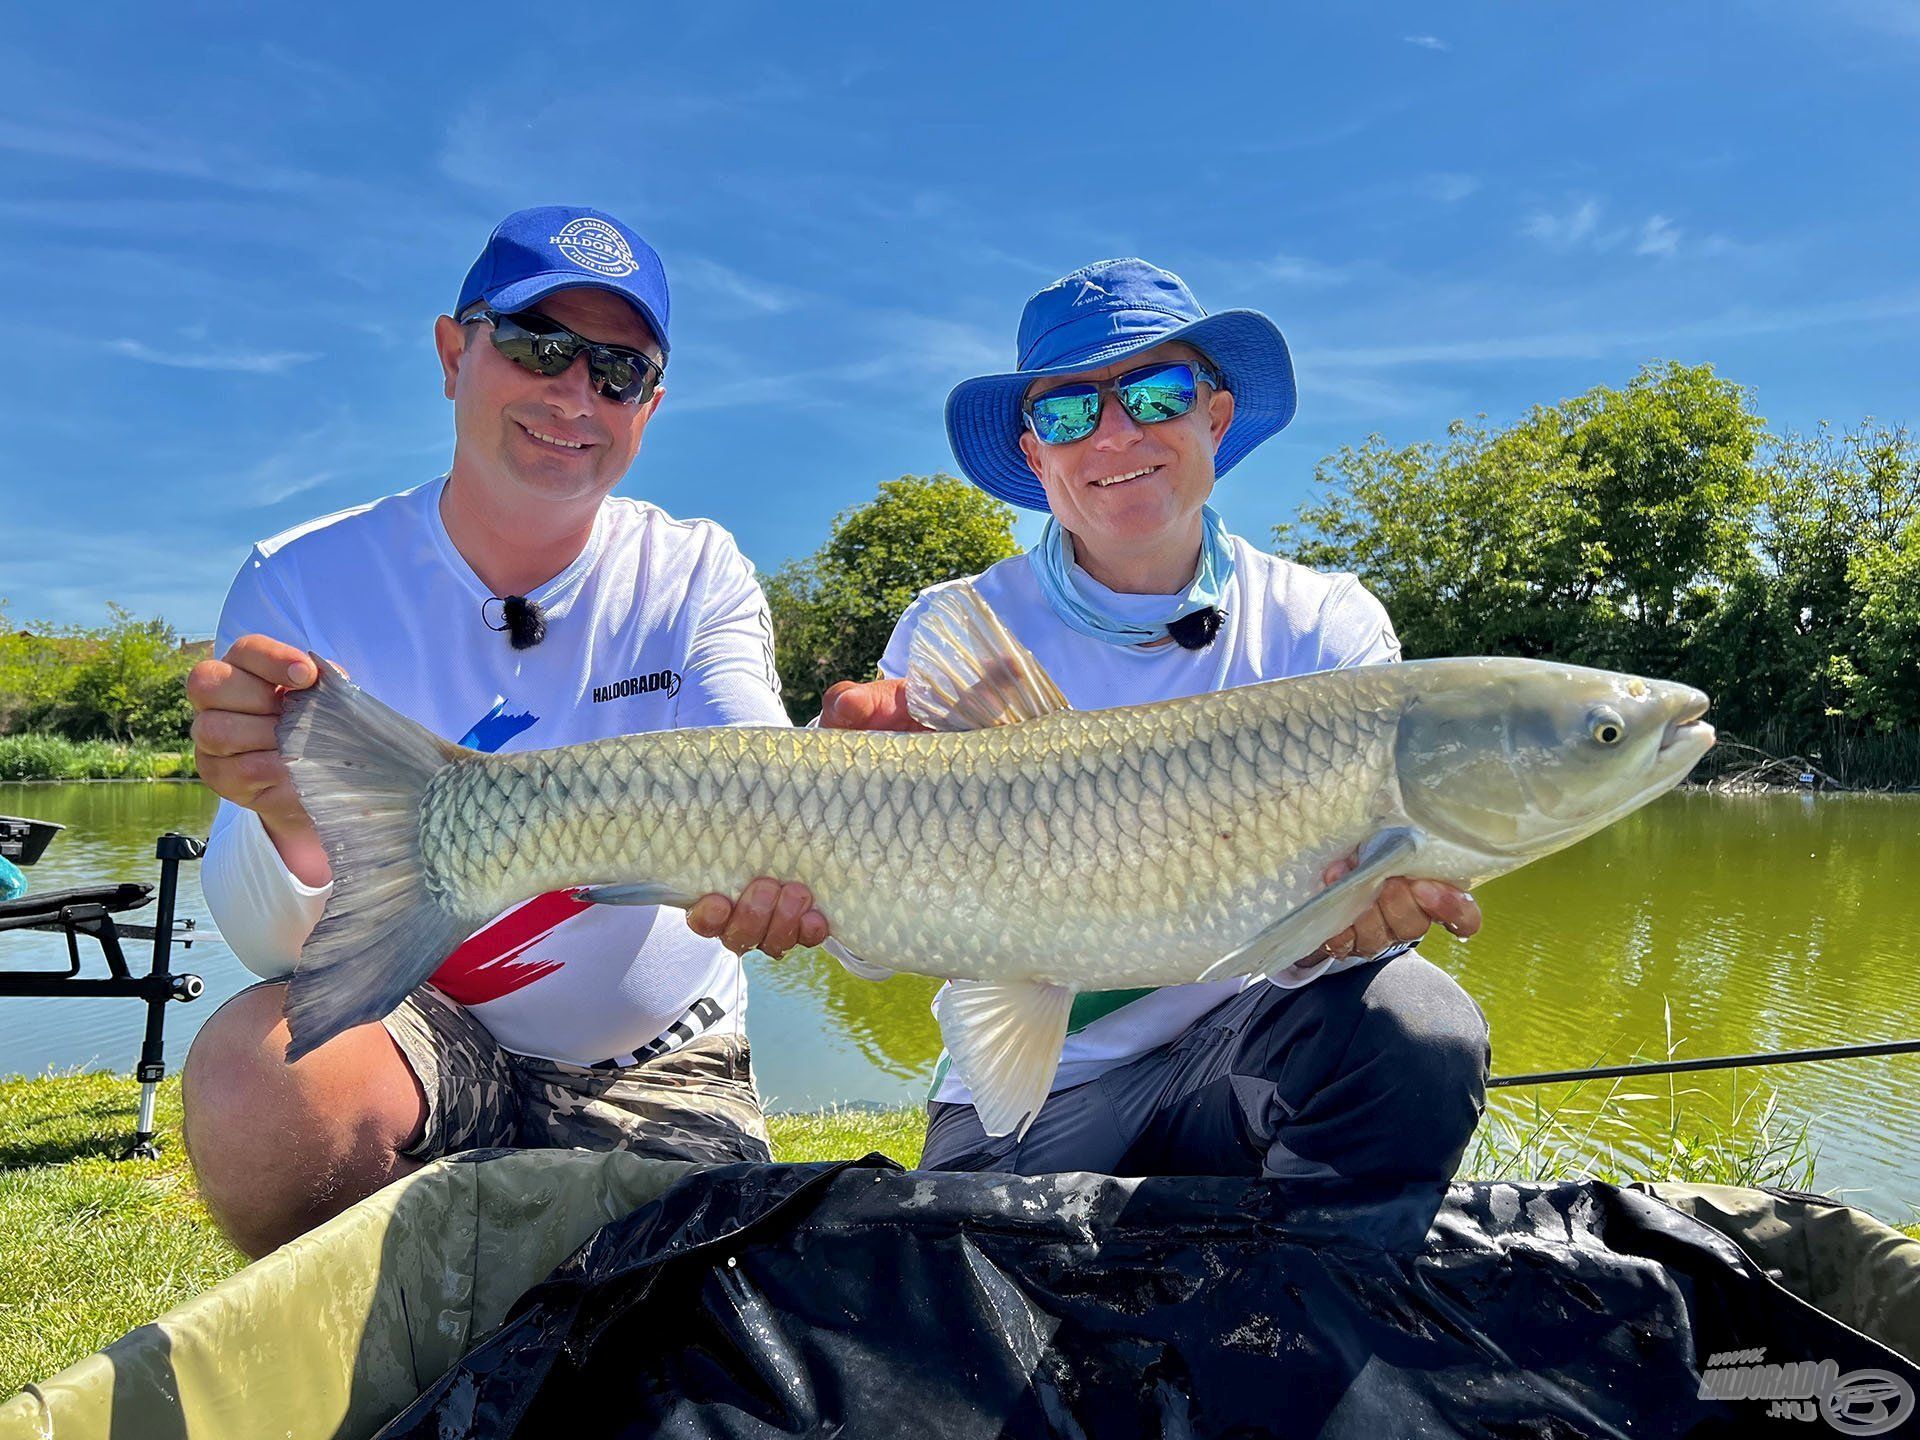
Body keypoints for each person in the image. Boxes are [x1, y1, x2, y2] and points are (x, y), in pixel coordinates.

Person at [705, 258, 1492, 1183]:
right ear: (1037, 456)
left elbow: (1363, 912)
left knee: (1417, 1026)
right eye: (1070, 413)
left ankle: (1299, 1311)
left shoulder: (1324, 626)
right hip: (1035, 1077)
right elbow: (875, 956)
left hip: (1241, 1051)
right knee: (978, 1296)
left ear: (1217, 416)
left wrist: (1366, 924)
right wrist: (821, 877)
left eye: (1157, 392)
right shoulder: (962, 628)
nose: (1115, 434)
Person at [183, 206, 823, 1257]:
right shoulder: (298, 577)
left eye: (618, 370)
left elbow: (753, 764)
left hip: (661, 1062)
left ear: (648, 408)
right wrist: (290, 819)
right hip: (418, 1041)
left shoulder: (697, 571)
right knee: (261, 1081)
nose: (575, 394)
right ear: (452, 352)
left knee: (692, 1336)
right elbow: (266, 946)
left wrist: (822, 826)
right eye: (538, 346)